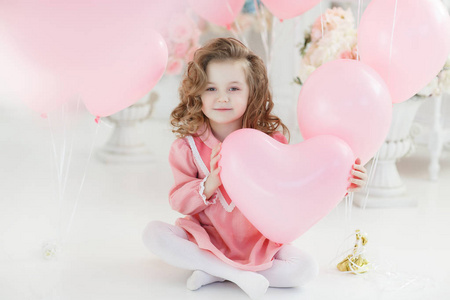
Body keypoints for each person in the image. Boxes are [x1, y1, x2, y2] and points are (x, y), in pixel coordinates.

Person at [142, 37, 367, 299]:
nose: (222, 98)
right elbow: (180, 203)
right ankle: (232, 273)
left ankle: (215, 273)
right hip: (206, 240)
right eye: (211, 89)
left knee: (305, 269)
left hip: (261, 244)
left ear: (252, 92)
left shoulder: (272, 143)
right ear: (197, 93)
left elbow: (295, 192)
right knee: (154, 234)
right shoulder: (186, 148)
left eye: (234, 88)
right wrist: (213, 180)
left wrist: (341, 181)